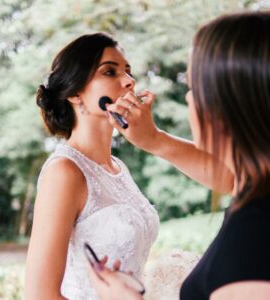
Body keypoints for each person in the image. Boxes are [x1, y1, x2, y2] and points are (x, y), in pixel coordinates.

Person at [88, 11, 270, 300]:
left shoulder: (254, 242)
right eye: (110, 71)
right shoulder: (257, 198)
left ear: (225, 106)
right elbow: (231, 179)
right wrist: (155, 139)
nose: (128, 82)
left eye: (193, 87)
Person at [24, 33, 160, 300]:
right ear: (75, 93)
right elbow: (39, 295)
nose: (129, 82)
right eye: (110, 72)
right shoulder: (64, 171)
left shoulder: (118, 168)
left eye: (128, 72)